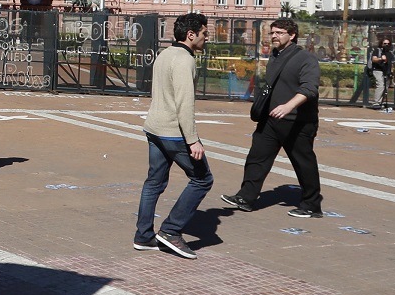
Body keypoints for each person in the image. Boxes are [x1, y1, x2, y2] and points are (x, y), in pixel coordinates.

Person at [221, 17, 325, 218]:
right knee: (257, 157)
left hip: (298, 121)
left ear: (292, 35)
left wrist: (288, 106)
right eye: (273, 32)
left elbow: (309, 88)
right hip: (271, 119)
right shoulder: (276, 55)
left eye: (279, 33)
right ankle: (246, 197)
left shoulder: (306, 58)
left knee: (303, 163)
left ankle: (312, 205)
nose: (274, 36)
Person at [135, 13, 213, 259]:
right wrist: (193, 139)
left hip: (154, 128)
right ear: (191, 35)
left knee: (154, 183)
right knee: (202, 179)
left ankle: (143, 236)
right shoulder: (184, 60)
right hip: (173, 133)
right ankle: (170, 231)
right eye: (204, 33)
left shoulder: (165, 54)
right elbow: (184, 103)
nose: (206, 37)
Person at [370, 37, 394, 109]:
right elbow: (373, 59)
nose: (386, 45)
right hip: (378, 70)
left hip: (387, 71)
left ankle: (381, 102)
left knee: (386, 87)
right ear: (381, 43)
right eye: (385, 43)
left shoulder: (390, 53)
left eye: (388, 43)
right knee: (380, 85)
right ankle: (376, 103)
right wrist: (381, 58)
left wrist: (392, 72)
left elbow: (392, 63)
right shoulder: (377, 50)